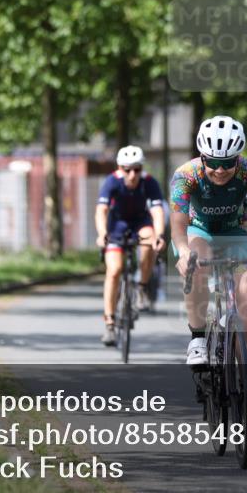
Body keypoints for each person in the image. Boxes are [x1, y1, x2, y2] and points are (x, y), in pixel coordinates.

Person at [169, 115, 247, 433]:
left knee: (246, 310)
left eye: (227, 163)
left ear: (239, 158)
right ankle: (197, 338)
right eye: (213, 163)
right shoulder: (185, 174)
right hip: (198, 231)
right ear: (202, 156)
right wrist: (182, 251)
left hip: (234, 232)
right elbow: (177, 222)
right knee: (196, 264)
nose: (220, 170)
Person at [95, 145, 166, 346]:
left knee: (150, 239)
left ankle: (142, 286)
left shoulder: (149, 182)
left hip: (140, 223)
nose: (132, 174)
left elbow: (157, 211)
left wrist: (159, 235)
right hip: (116, 226)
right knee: (114, 270)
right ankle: (109, 323)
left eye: (137, 169)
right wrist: (102, 234)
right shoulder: (111, 182)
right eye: (127, 169)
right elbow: (101, 210)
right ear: (120, 168)